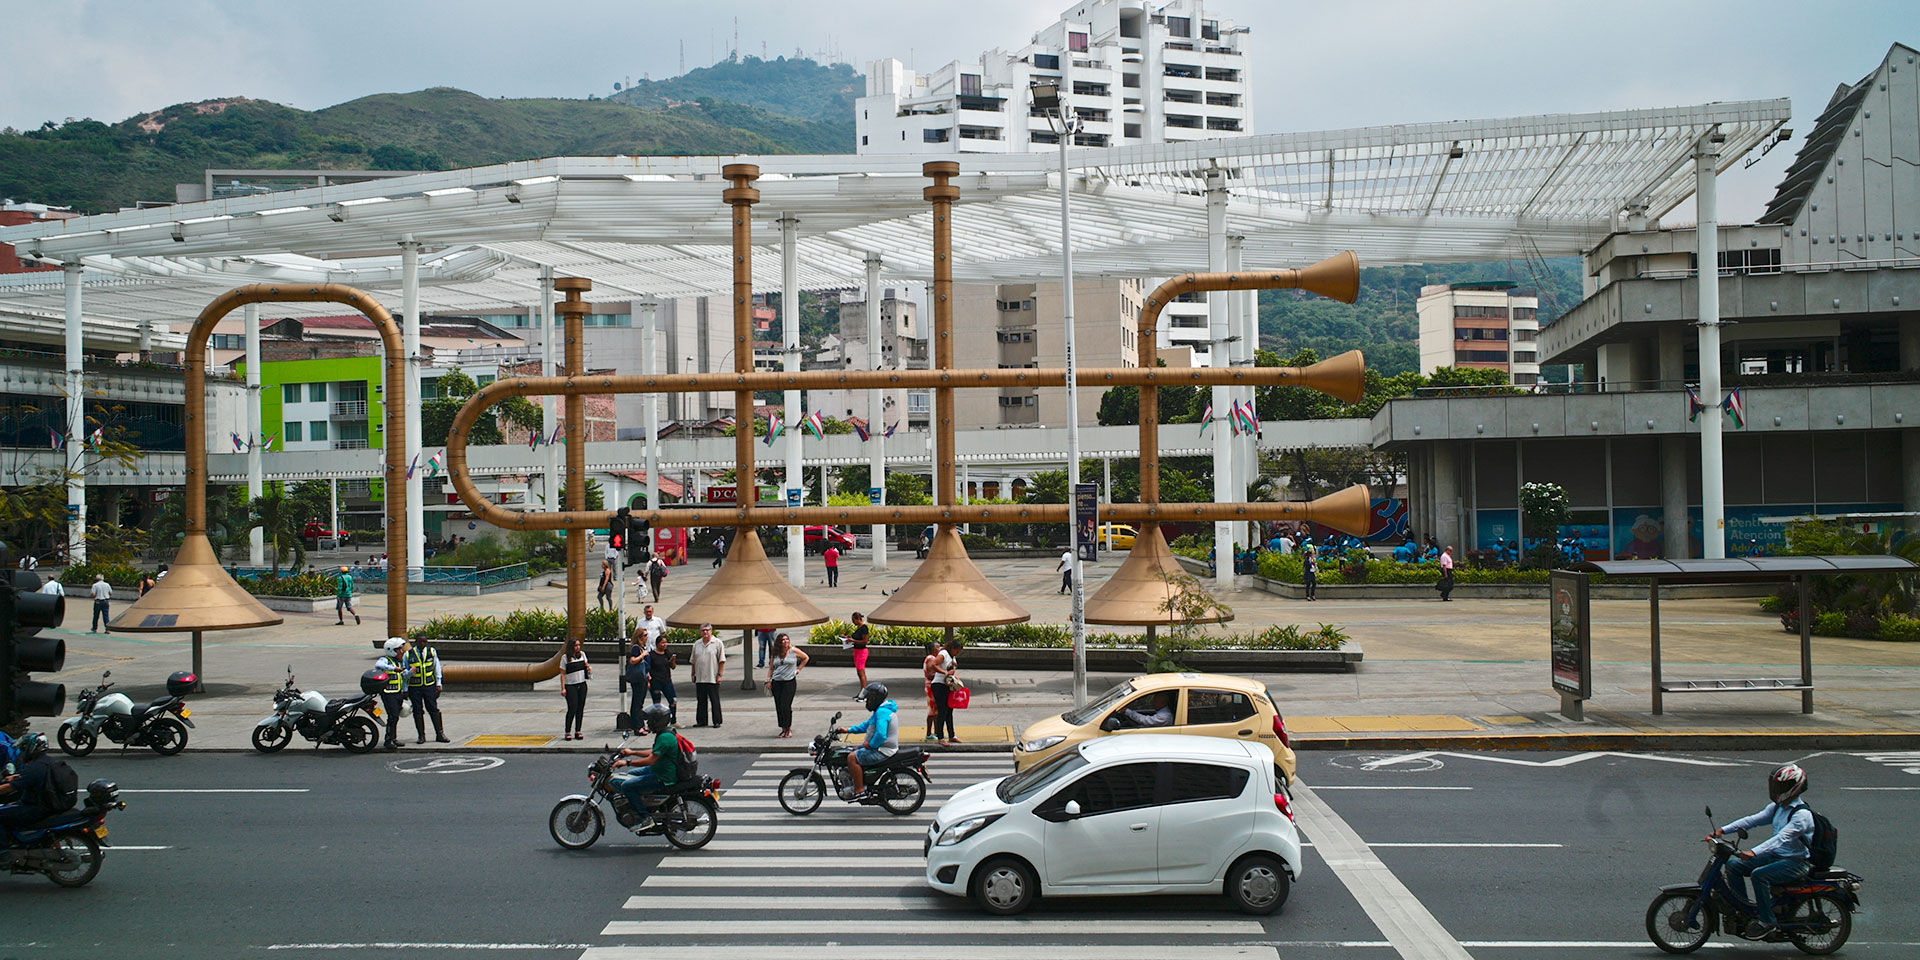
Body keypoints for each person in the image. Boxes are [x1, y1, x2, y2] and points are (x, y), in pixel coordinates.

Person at [1711, 764, 1816, 940]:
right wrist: (1723, 830)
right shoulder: (1778, 807)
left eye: (1781, 786)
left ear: (1794, 787)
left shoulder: (1802, 815)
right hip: (1777, 857)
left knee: (1759, 875)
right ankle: (1744, 911)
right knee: (1733, 865)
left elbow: (1781, 838)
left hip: (1795, 863)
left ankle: (1767, 921)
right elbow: (1753, 820)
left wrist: (1754, 852)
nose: (1776, 790)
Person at [610, 704, 683, 831]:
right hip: (661, 768)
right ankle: (645, 804)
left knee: (627, 786)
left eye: (650, 720)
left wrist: (627, 762)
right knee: (631, 774)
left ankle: (645, 817)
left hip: (663, 776)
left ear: (657, 721)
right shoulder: (666, 733)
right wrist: (632, 752)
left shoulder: (664, 737)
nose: (648, 722)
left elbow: (650, 760)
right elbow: (654, 752)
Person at [837, 682, 898, 800]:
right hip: (881, 748)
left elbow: (881, 735)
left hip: (883, 750)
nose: (867, 701)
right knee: (853, 750)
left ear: (875, 699)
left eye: (868, 699)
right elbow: (867, 725)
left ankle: (860, 790)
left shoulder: (882, 712)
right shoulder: (881, 710)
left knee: (851, 757)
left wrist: (870, 745)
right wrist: (848, 730)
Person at [0, 734, 66, 830]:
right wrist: (15, 777)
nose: (22, 751)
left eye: (23, 748)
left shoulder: (34, 767)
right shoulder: (48, 761)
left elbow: (10, 787)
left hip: (36, 807)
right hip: (46, 804)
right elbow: (31, 777)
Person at [403, 636, 449, 743]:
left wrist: (438, 683)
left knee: (433, 709)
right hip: (414, 687)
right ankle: (421, 736)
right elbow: (404, 673)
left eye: (424, 641)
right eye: (420, 641)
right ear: (415, 642)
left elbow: (436, 668)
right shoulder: (408, 654)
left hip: (429, 686)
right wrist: (405, 689)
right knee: (417, 711)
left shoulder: (431, 652)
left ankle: (440, 734)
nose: (422, 644)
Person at [764, 632, 809, 738]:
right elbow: (771, 668)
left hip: (789, 682)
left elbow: (806, 658)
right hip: (777, 682)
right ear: (779, 642)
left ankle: (788, 728)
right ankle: (783, 729)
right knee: (779, 706)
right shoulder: (775, 653)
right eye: (783, 640)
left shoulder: (793, 650)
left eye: (787, 639)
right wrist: (768, 680)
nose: (785, 641)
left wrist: (798, 669)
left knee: (785, 706)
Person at [375, 638, 410, 750]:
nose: (401, 651)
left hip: (398, 693)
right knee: (392, 716)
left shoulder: (399, 662)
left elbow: (404, 677)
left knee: (396, 717)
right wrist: (394, 668)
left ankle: (393, 738)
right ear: (391, 650)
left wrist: (410, 673)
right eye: (398, 649)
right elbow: (379, 665)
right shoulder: (385, 660)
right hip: (388, 693)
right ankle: (388, 740)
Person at [689, 622, 726, 728]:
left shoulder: (717, 643)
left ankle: (717, 721)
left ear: (711, 631)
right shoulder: (697, 644)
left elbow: (722, 660)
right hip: (700, 677)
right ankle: (701, 721)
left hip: (712, 676)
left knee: (714, 700)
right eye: (703, 630)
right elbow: (693, 661)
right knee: (701, 700)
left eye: (707, 630)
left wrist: (720, 675)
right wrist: (693, 673)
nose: (705, 632)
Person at [931, 638, 961, 744]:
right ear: (952, 648)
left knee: (949, 711)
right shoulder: (943, 654)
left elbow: (952, 670)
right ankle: (940, 737)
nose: (957, 653)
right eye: (956, 651)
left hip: (948, 685)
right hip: (939, 685)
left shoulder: (952, 657)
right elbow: (933, 664)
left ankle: (951, 735)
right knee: (942, 711)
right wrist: (945, 673)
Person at [561, 637, 591, 741]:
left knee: (580, 708)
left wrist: (588, 668)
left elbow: (586, 666)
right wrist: (563, 688)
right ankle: (567, 731)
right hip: (570, 685)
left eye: (579, 645)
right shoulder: (565, 658)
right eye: (575, 645)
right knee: (572, 708)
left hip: (581, 683)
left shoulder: (582, 655)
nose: (578, 647)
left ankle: (578, 730)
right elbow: (562, 673)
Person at [624, 621, 652, 728]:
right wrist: (642, 655)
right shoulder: (636, 648)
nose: (647, 637)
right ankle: (637, 725)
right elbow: (632, 660)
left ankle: (639, 724)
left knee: (640, 702)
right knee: (637, 702)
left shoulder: (643, 648)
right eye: (645, 635)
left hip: (643, 677)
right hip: (638, 678)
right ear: (639, 637)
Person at [647, 632, 678, 723]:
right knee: (657, 703)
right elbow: (648, 668)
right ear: (657, 644)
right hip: (656, 681)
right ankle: (657, 721)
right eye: (662, 643)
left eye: (665, 643)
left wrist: (672, 661)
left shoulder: (667, 653)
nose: (664, 645)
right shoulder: (651, 655)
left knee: (673, 700)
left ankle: (673, 719)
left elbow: (673, 667)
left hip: (667, 681)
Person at [921, 641, 944, 743]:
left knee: (935, 711)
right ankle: (929, 733)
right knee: (932, 711)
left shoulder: (931, 658)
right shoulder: (931, 658)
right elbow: (930, 674)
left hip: (931, 686)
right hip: (931, 687)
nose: (940, 649)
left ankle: (936, 732)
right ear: (933, 649)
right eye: (938, 647)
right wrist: (942, 674)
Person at [846, 611, 871, 688]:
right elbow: (857, 638)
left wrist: (853, 640)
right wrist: (848, 638)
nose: (853, 622)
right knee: (859, 672)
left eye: (853, 620)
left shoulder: (864, 628)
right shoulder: (858, 628)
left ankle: (863, 690)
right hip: (856, 651)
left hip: (862, 652)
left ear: (858, 619)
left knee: (861, 672)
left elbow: (865, 641)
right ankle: (863, 689)